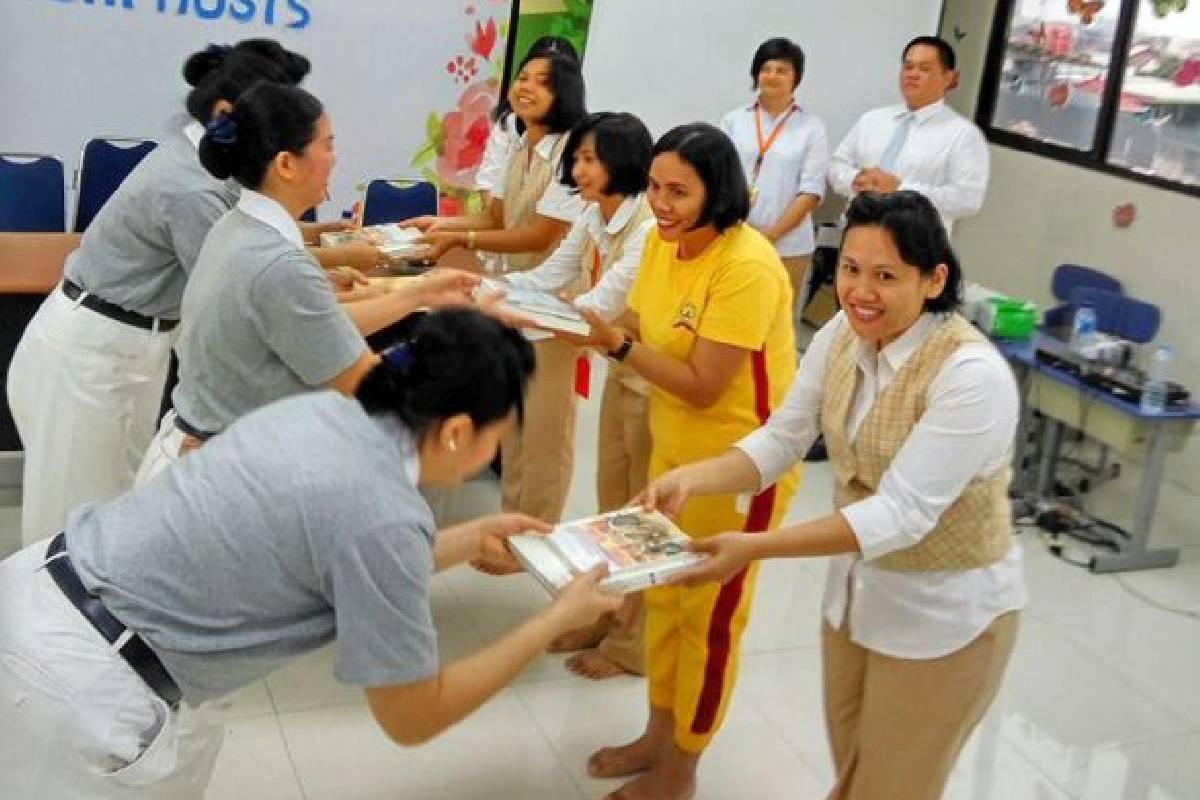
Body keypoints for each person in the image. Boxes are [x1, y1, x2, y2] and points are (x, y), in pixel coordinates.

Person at [0, 309, 624, 799]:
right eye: (497, 434)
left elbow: (338, 550)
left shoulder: (325, 412)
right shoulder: (385, 511)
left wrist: (465, 541)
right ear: (459, 430)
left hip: (38, 593)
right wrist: (554, 617)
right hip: (76, 682)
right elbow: (413, 717)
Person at [644, 191, 1025, 800]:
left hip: (944, 617)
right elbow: (783, 438)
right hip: (857, 598)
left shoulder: (970, 377)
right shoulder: (841, 339)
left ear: (934, 279)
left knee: (891, 786)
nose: (859, 292)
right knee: (854, 772)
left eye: (885, 276)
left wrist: (753, 546)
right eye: (849, 269)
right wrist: (694, 477)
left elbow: (901, 514)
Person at [565, 123, 801, 800]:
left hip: (738, 470)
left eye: (679, 192)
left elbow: (702, 382)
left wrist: (612, 347)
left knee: (708, 621)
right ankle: (657, 732)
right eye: (656, 189)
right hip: (674, 458)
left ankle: (682, 768)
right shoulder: (662, 245)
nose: (661, 205)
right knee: (664, 600)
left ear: (717, 192)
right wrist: (572, 320)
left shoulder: (746, 264)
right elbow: (641, 322)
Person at [5, 40, 314, 547]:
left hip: (123, 351)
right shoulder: (193, 187)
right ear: (226, 114)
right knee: (69, 534)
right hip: (96, 357)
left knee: (110, 517)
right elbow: (233, 294)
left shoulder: (206, 170)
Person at [136, 83, 477, 481]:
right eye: (327, 145)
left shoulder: (238, 226)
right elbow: (369, 381)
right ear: (285, 164)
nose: (334, 159)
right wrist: (466, 335)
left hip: (208, 456)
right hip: (227, 475)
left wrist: (422, 293)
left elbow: (321, 328)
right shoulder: (276, 263)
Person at [502, 111, 656, 680]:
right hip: (622, 367)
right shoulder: (596, 213)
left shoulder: (644, 227)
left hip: (654, 374)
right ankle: (607, 612)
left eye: (591, 158)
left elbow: (599, 305)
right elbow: (550, 275)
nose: (579, 169)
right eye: (579, 157)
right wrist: (488, 288)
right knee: (614, 502)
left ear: (624, 162)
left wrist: (506, 307)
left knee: (644, 511)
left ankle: (633, 642)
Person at [407, 49, 588, 523]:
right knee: (514, 417)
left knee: (546, 429)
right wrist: (443, 226)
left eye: (540, 82)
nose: (524, 87)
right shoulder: (521, 141)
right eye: (521, 77)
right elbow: (496, 218)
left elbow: (539, 235)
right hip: (511, 294)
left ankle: (537, 527)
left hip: (554, 306)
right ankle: (510, 520)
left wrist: (459, 235)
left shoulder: (573, 153)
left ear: (564, 92)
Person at [828, 35, 989, 234]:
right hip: (857, 233)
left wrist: (900, 188)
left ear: (949, 78)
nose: (912, 74)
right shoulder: (872, 119)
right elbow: (837, 164)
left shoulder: (964, 135)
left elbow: (967, 199)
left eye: (924, 68)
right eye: (908, 67)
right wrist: (855, 179)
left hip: (914, 244)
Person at [720, 36, 829, 315]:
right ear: (756, 73)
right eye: (766, 68)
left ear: (796, 78)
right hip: (732, 235)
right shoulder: (734, 121)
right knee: (729, 313)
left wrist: (770, 235)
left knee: (773, 321)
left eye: (782, 70)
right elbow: (717, 178)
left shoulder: (811, 128)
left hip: (788, 246)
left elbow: (811, 192)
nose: (772, 76)